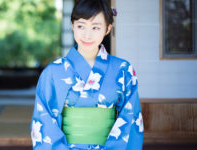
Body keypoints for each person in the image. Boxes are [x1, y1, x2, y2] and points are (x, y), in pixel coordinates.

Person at [30, 0, 144, 149]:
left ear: (108, 29)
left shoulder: (123, 69)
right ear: (72, 26)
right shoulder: (53, 72)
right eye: (80, 26)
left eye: (96, 27)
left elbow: (131, 118)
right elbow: (44, 121)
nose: (87, 35)